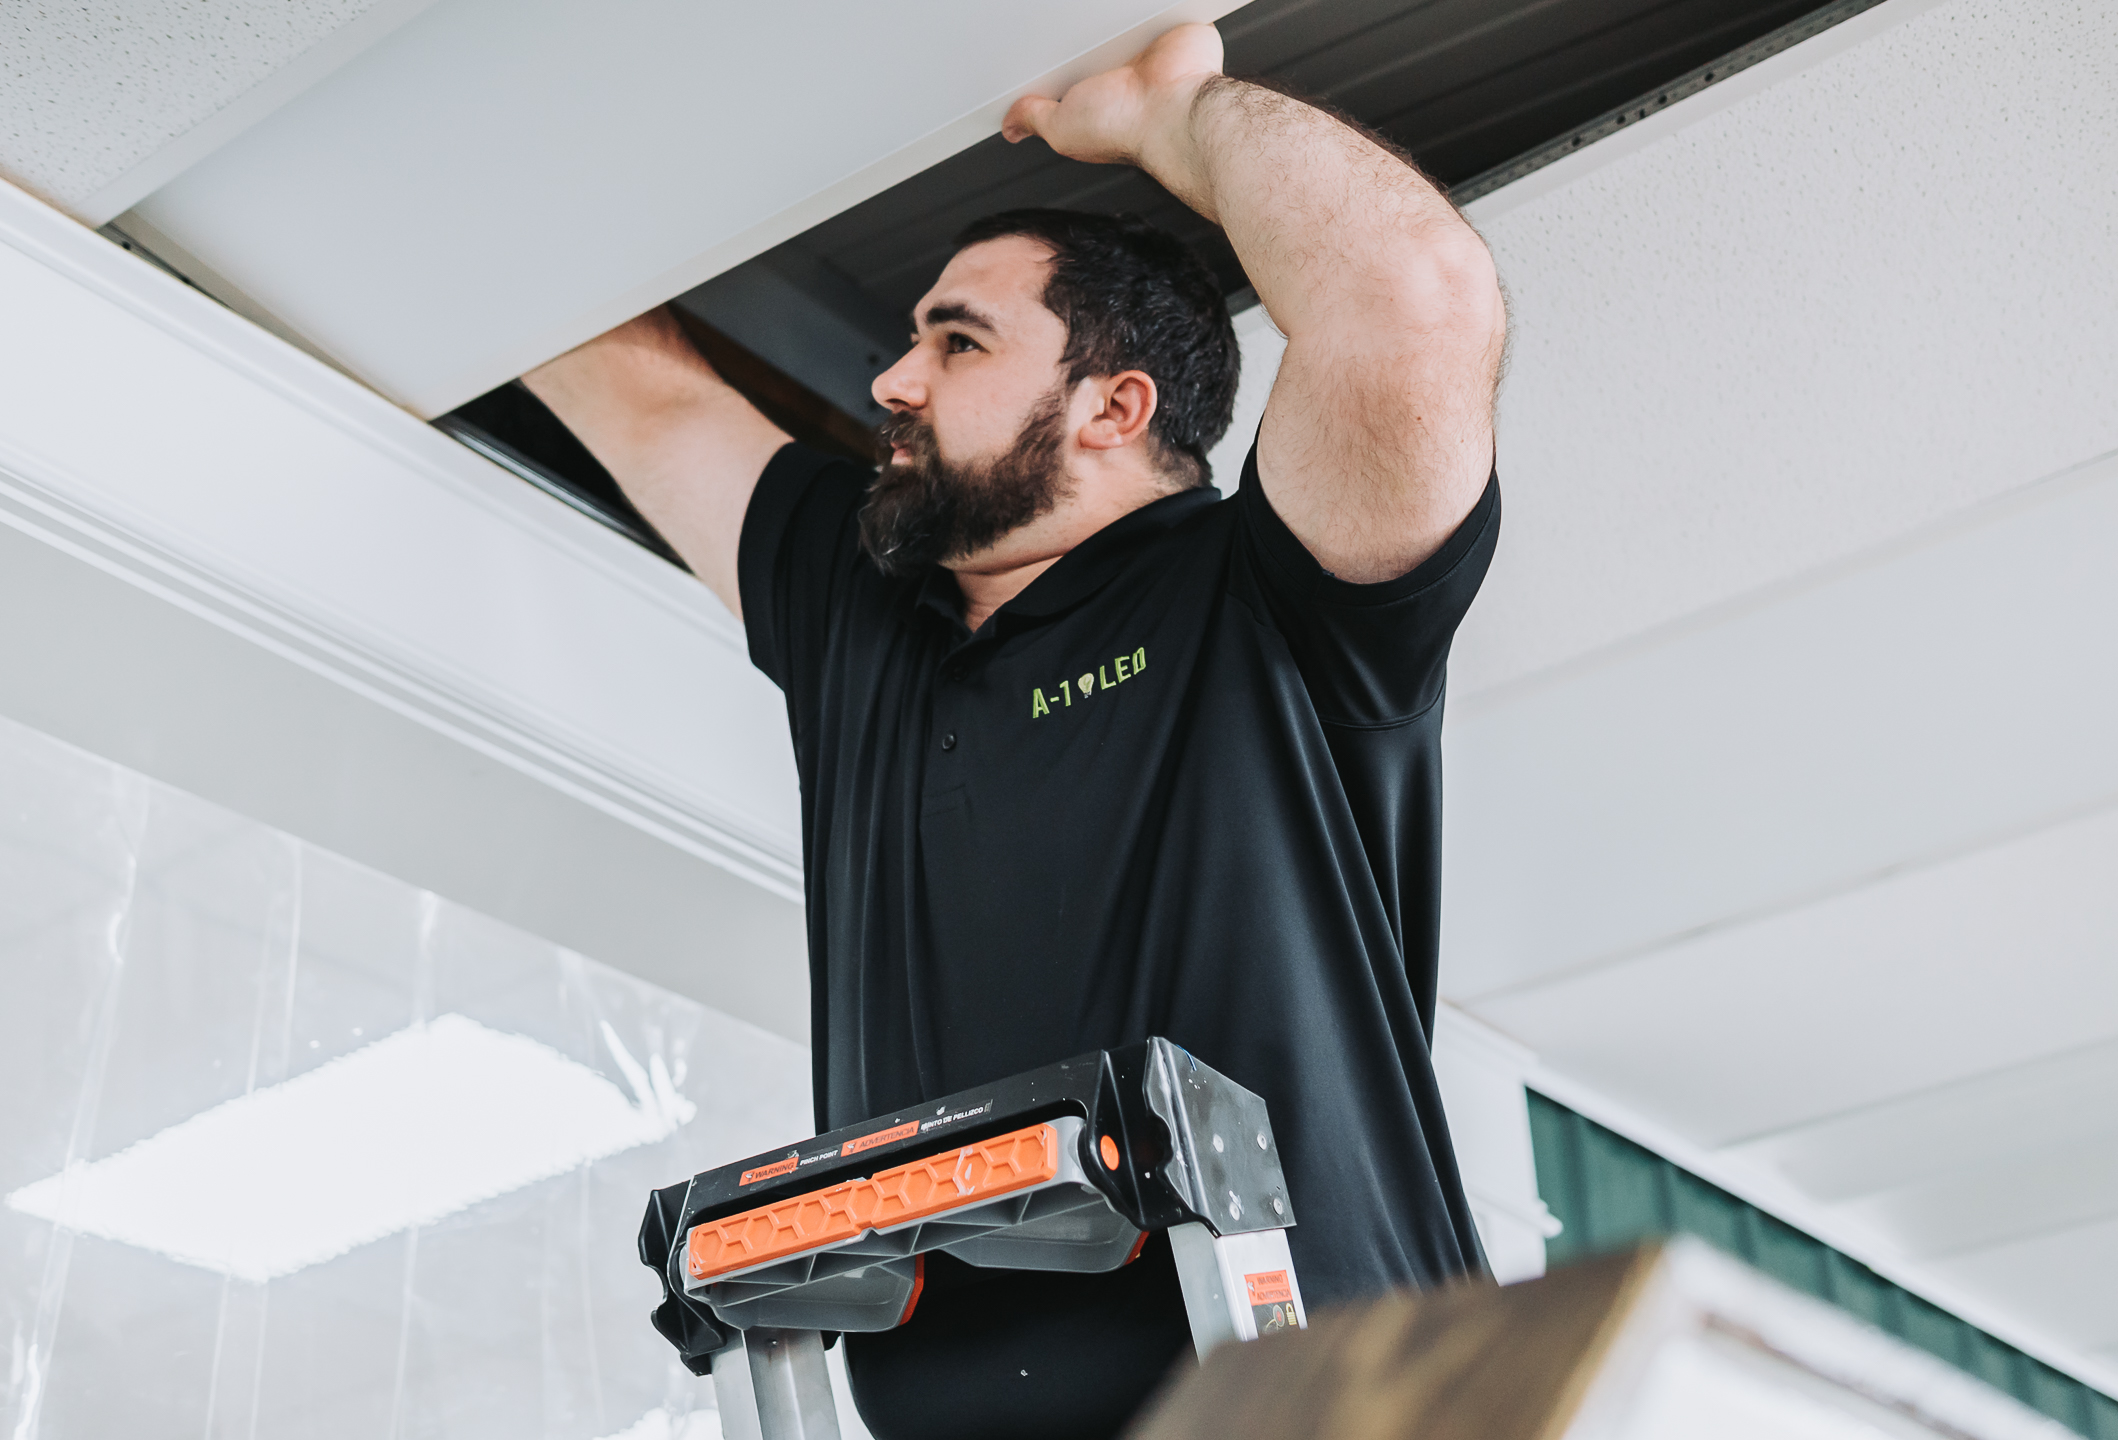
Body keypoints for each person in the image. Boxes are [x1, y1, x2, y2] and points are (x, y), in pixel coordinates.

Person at [524, 23, 1506, 1440]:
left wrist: (1177, 111)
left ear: (1115, 406)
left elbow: (1415, 297)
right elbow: (635, 389)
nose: (893, 382)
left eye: (958, 340)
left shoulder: (1264, 594)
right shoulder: (866, 623)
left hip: (1337, 1401)